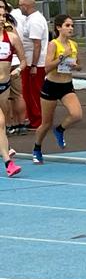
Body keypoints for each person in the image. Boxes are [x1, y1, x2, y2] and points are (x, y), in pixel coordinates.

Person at [31, 15, 82, 164]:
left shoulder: (74, 45)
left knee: (77, 114)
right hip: (52, 85)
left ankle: (60, 129)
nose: (71, 28)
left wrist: (75, 66)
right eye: (67, 25)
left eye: (72, 25)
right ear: (59, 27)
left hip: (67, 85)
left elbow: (80, 65)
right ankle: (37, 148)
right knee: (46, 123)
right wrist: (61, 58)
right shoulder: (54, 44)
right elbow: (46, 67)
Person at [0, 13, 27, 175]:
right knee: (1, 123)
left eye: (3, 16)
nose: (1, 19)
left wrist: (17, 70)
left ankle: (6, 150)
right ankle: (8, 162)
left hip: (4, 86)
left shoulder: (11, 38)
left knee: (2, 123)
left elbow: (23, 60)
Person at [18, 0, 48, 129]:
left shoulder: (35, 21)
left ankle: (38, 120)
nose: (20, 9)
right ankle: (33, 118)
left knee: (34, 93)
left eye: (20, 5)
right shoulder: (31, 19)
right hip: (31, 61)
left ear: (26, 6)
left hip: (34, 62)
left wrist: (34, 65)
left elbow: (37, 45)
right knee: (29, 92)